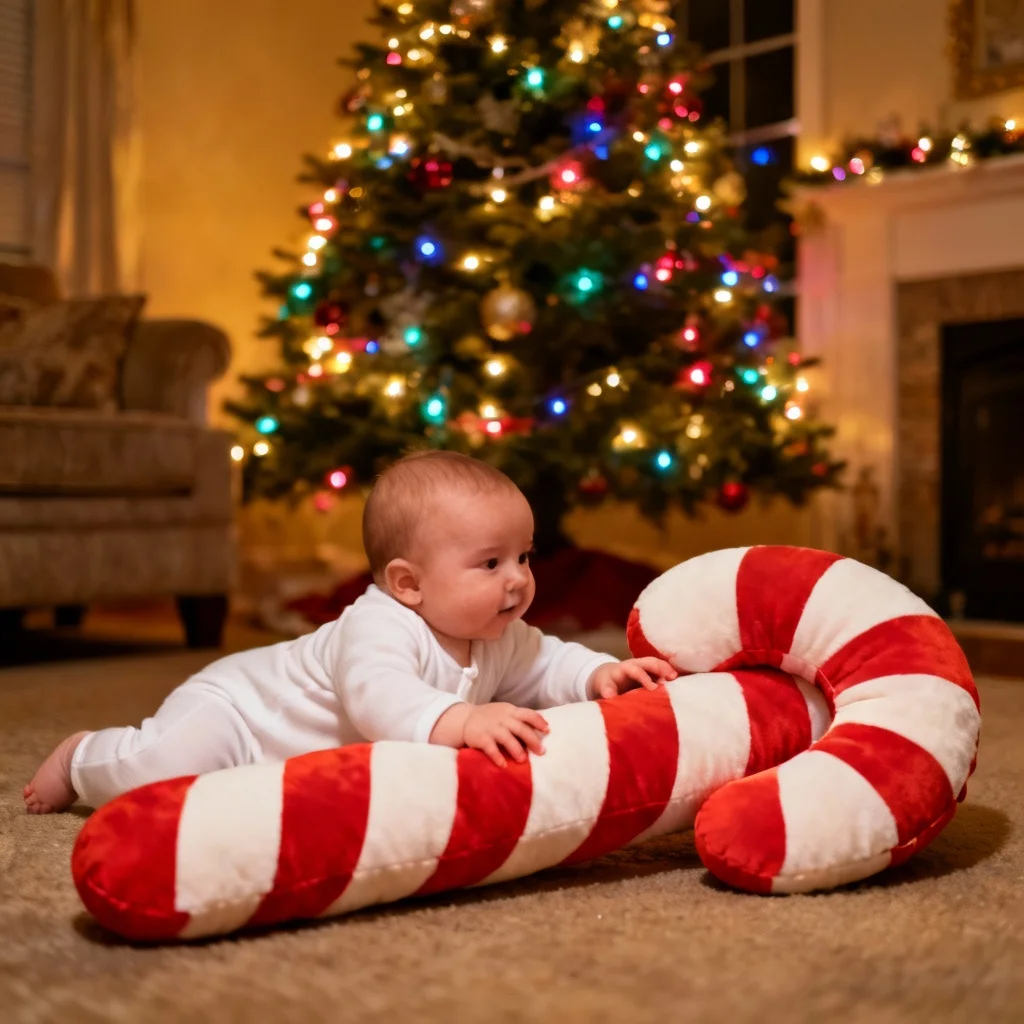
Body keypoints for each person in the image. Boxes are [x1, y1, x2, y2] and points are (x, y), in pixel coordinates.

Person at [24, 450, 677, 813]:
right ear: (408, 584)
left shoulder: (497, 627)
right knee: (161, 774)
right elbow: (378, 697)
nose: (518, 580)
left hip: (288, 755)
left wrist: (598, 674)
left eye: (525, 556)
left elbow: (545, 663)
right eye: (490, 563)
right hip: (239, 711)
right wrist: (462, 721)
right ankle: (83, 756)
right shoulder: (376, 627)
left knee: (223, 808)